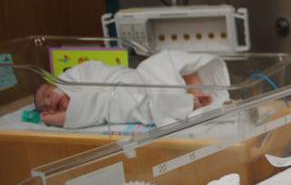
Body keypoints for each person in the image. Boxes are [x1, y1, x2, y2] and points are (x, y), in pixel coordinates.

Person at [33, 50, 229, 128]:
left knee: (158, 63)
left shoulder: (81, 75)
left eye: (49, 94)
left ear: (60, 83)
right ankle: (188, 99)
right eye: (46, 107)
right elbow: (88, 110)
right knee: (157, 103)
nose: (50, 102)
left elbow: (103, 72)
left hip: (137, 79)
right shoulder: (81, 109)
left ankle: (191, 85)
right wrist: (57, 118)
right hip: (131, 104)